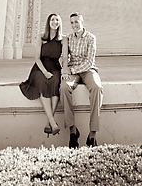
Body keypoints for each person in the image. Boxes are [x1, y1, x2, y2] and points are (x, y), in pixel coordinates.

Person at [61, 11, 103, 148]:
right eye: (72, 22)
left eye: (76, 22)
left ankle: (92, 134)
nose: (74, 25)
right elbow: (65, 57)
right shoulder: (68, 38)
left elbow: (89, 62)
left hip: (88, 70)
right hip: (73, 73)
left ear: (82, 23)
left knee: (97, 87)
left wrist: (71, 70)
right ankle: (73, 131)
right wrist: (65, 69)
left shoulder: (91, 38)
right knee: (64, 87)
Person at [19, 13, 63, 136]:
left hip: (55, 67)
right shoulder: (41, 37)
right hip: (40, 67)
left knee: (55, 82)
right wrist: (45, 72)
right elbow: (37, 58)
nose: (55, 22)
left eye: (57, 20)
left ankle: (50, 123)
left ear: (60, 23)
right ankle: (53, 123)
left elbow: (65, 57)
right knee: (42, 81)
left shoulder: (62, 39)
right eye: (52, 20)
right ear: (48, 22)